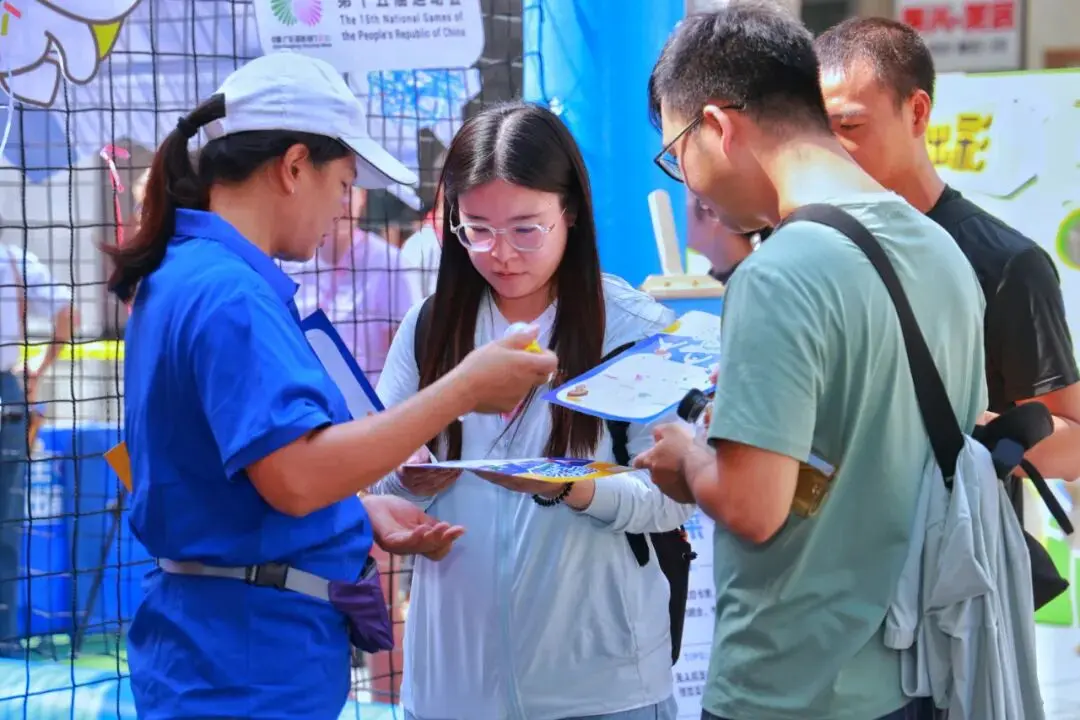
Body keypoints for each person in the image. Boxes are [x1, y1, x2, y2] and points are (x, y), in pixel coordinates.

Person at [101, 52, 557, 720]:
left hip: (220, 648)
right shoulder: (230, 293)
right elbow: (296, 479)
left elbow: (234, 479)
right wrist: (461, 390)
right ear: (292, 168)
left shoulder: (187, 274)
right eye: (342, 184)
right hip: (248, 667)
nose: (344, 207)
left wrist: (352, 514)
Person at [636, 5, 986, 720]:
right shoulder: (941, 250)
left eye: (678, 152)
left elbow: (752, 506)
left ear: (719, 125)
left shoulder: (780, 272)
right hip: (913, 672)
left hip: (789, 685)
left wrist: (687, 460)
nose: (689, 183)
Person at [373, 102, 693, 720]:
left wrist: (572, 488)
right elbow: (380, 480)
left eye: (526, 228)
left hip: (604, 692)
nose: (501, 253)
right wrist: (411, 477)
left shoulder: (632, 328)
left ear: (569, 211)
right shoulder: (429, 328)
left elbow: (675, 497)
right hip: (451, 690)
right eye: (477, 229)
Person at [814, 17, 1080, 491]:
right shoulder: (807, 248)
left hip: (956, 551)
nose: (833, 149)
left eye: (850, 126)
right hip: (827, 551)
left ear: (917, 113)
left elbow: (1072, 440)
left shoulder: (1006, 263)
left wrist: (947, 425)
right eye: (817, 132)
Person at [0, 240, 77, 655]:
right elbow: (68, 313)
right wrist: (39, 371)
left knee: (7, 523)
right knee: (5, 524)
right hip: (7, 393)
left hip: (9, 395)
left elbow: (67, 313)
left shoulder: (14, 259)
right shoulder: (13, 258)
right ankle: (3, 638)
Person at [284, 186, 423, 385]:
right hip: (303, 398)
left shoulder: (391, 263)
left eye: (348, 189)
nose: (341, 201)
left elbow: (410, 354)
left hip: (370, 405)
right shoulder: (288, 258)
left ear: (363, 197)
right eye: (335, 187)